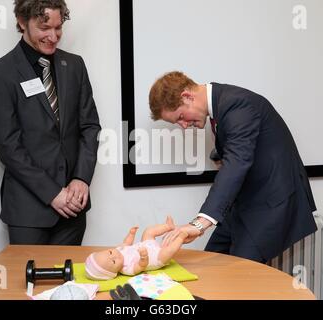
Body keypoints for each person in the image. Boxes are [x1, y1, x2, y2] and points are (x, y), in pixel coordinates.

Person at [149, 71, 317, 263]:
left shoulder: (237, 105)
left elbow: (236, 163)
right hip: (242, 202)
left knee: (240, 278)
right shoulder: (220, 105)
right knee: (211, 262)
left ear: (187, 96)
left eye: (180, 117)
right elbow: (239, 147)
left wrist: (199, 224)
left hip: (270, 204)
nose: (184, 126)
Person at [0, 0, 101, 245]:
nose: (53, 36)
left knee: (70, 282)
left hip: (73, 209)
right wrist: (52, 193)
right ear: (22, 22)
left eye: (58, 28)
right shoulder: (0, 73)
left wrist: (81, 178)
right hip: (28, 212)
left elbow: (89, 126)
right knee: (29, 283)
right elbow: (8, 146)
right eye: (44, 28)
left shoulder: (75, 65)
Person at [85, 216, 187, 279]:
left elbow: (126, 243)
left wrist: (131, 234)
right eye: (113, 262)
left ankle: (168, 226)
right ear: (113, 273)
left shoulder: (119, 250)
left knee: (148, 231)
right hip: (155, 257)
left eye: (110, 252)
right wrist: (143, 257)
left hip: (146, 244)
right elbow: (141, 266)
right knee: (168, 252)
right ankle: (181, 237)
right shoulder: (127, 269)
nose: (115, 255)